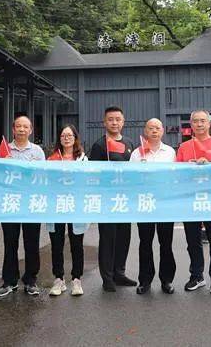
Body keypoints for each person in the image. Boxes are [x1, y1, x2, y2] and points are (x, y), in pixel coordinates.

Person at [176, 109, 211, 294]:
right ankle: (196, 276)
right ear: (191, 125)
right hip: (191, 199)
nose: (199, 124)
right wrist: (189, 167)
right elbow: (177, 173)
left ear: (209, 123)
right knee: (193, 241)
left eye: (202, 121)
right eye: (195, 121)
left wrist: (210, 167)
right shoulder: (184, 147)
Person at [0, 115, 46, 298]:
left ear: (31, 130)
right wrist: (4, 163)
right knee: (10, 243)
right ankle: (9, 280)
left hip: (31, 203)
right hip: (11, 202)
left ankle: (31, 280)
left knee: (32, 243)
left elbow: (44, 176)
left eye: (26, 127)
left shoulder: (37, 151)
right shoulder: (5, 150)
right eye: (19, 126)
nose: (22, 129)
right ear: (13, 129)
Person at [88, 106, 136, 292]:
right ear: (104, 122)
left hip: (125, 200)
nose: (114, 122)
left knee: (124, 237)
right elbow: (93, 174)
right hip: (107, 200)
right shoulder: (99, 145)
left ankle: (119, 273)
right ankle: (107, 277)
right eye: (110, 119)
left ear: (123, 122)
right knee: (108, 239)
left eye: (118, 119)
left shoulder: (130, 143)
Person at [129, 118, 177, 295]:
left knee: (166, 243)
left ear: (162, 131)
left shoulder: (170, 152)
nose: (154, 131)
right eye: (151, 128)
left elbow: (176, 177)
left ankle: (167, 280)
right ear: (145, 131)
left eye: (157, 128)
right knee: (145, 243)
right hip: (145, 204)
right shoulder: (137, 153)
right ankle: (145, 280)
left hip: (165, 204)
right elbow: (131, 177)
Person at [47, 124, 89, 297]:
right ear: (59, 138)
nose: (66, 138)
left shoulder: (82, 159)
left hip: (75, 205)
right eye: (63, 135)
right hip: (56, 205)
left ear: (75, 138)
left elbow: (87, 180)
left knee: (76, 244)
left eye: (70, 135)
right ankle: (59, 279)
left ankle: (76, 279)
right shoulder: (52, 159)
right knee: (56, 244)